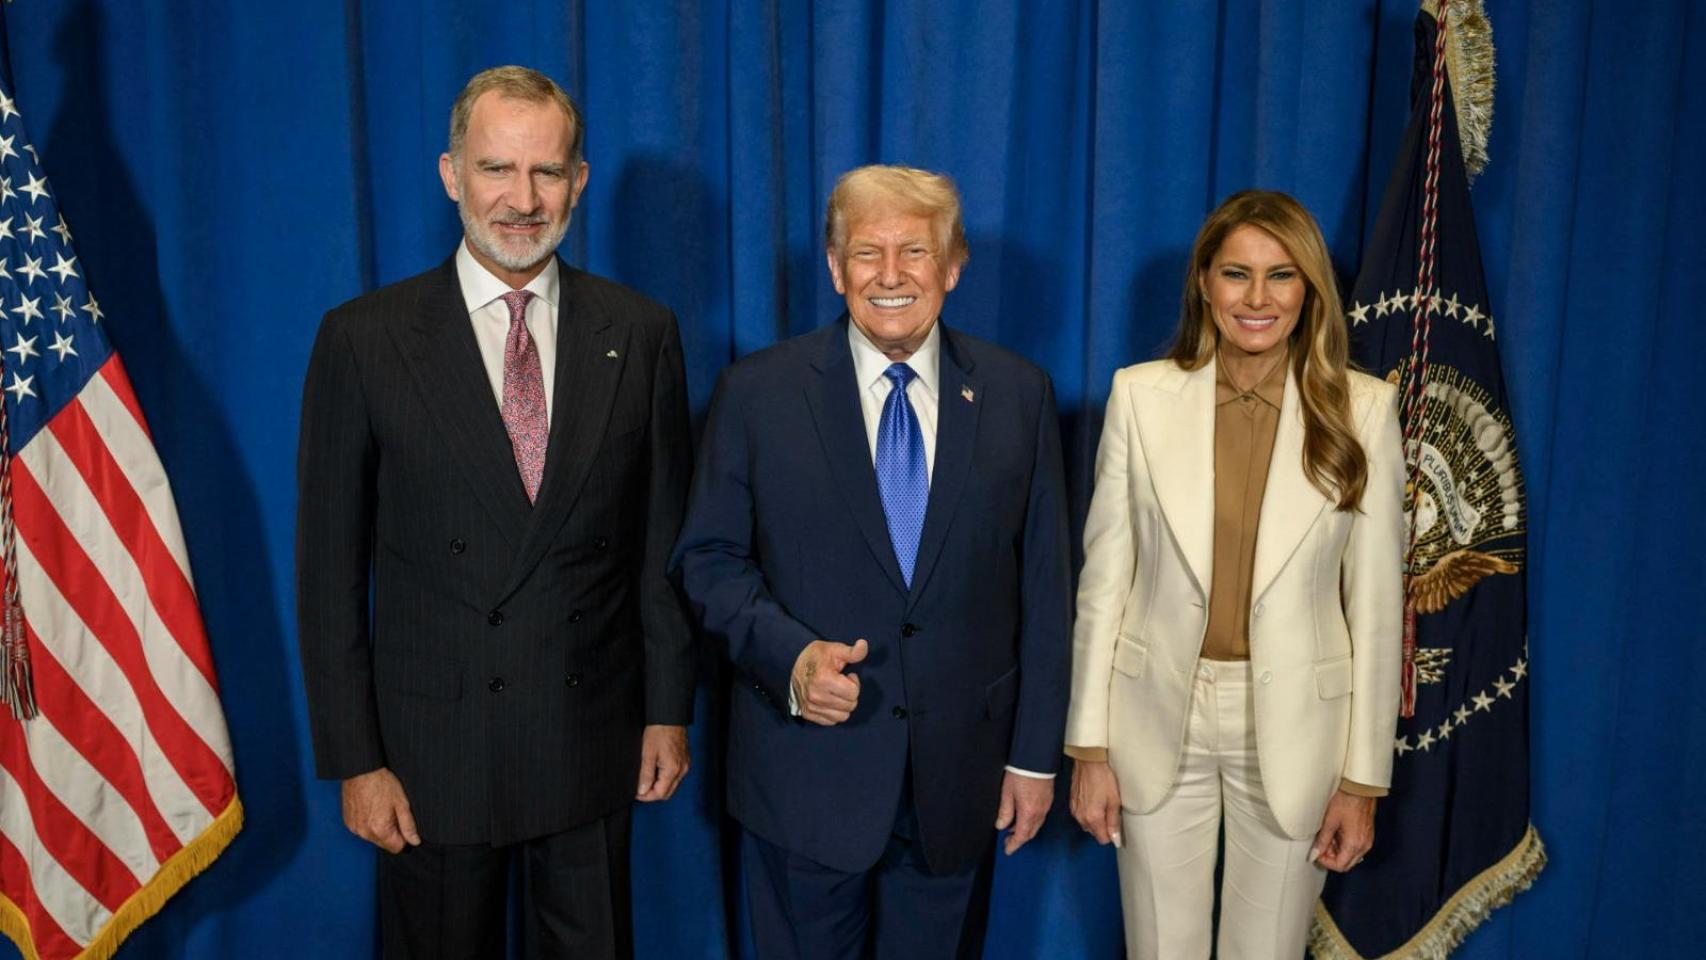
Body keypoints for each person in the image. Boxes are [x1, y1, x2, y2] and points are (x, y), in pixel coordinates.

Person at [296, 66, 695, 959]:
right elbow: (328, 576)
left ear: (579, 181)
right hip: (431, 756)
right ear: (450, 175)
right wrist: (357, 761)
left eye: (547, 173)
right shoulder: (363, 339)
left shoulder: (642, 332)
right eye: (496, 170)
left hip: (589, 738)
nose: (522, 199)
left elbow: (658, 543)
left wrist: (669, 707)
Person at [671, 164, 1071, 959]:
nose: (890, 275)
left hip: (957, 785)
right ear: (833, 266)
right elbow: (707, 559)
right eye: (866, 252)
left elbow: (1047, 588)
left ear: (952, 267)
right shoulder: (757, 393)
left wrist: (1033, 759)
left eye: (915, 252)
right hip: (803, 782)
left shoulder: (1016, 394)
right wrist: (789, 659)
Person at [1065, 190, 1404, 959]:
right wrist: (1089, 746)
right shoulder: (1139, 397)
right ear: (1204, 285)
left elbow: (1379, 610)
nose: (1257, 298)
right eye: (1236, 274)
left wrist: (1364, 780)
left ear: (1309, 290)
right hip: (1154, 716)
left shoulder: (1366, 411)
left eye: (1281, 276)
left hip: (1296, 727)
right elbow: (1104, 582)